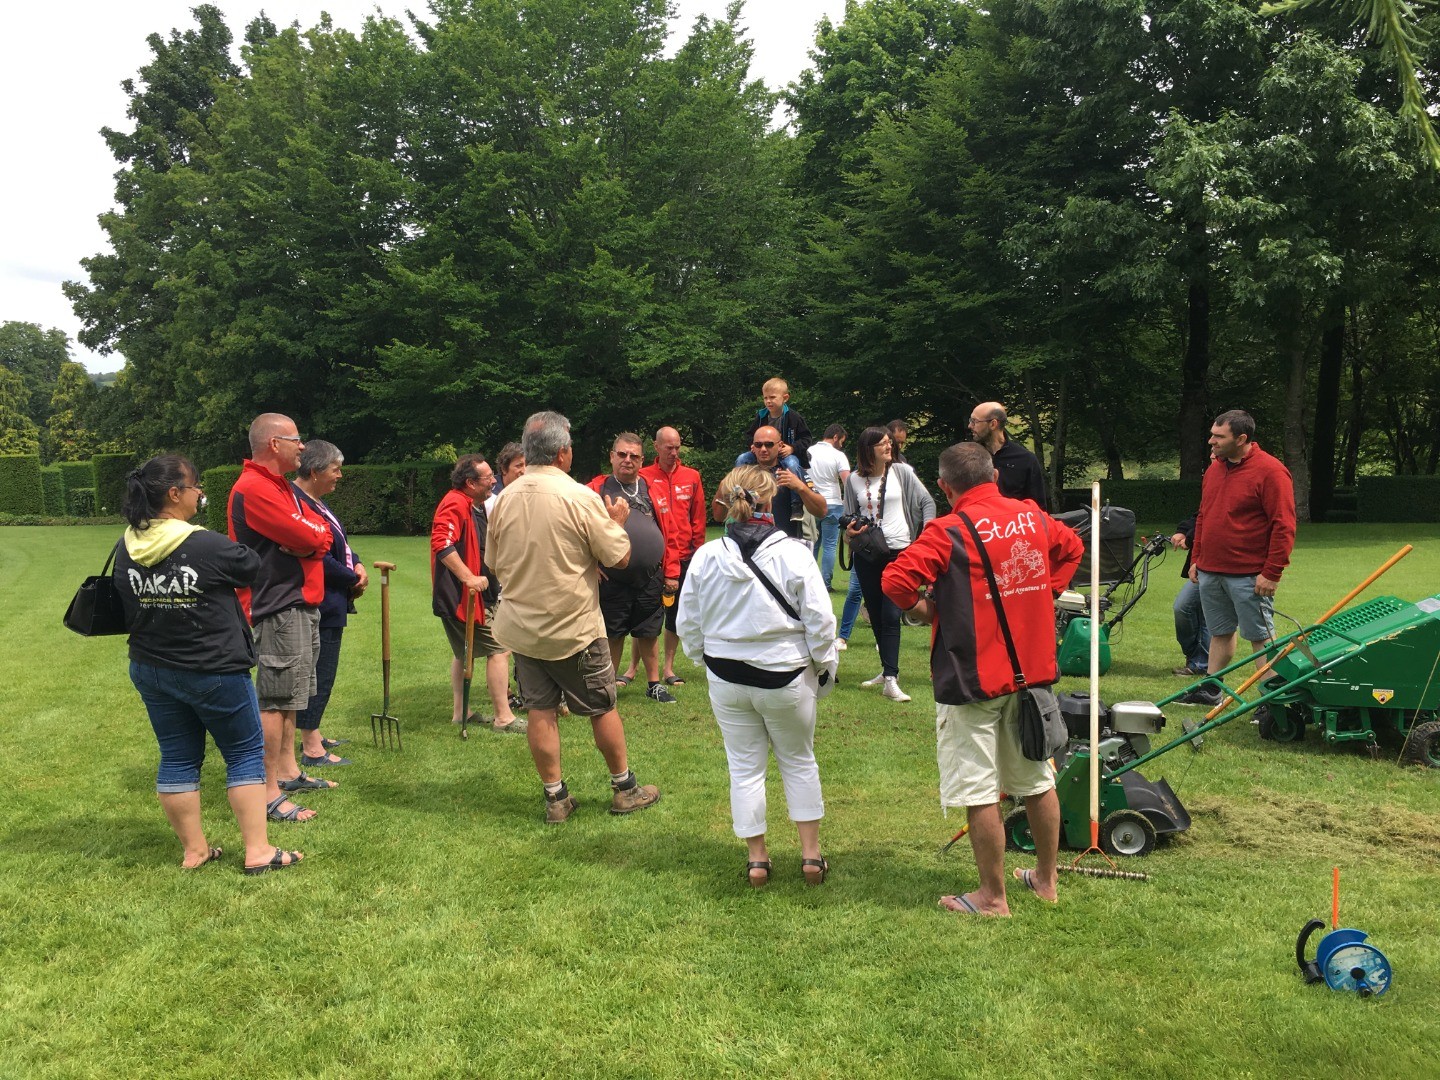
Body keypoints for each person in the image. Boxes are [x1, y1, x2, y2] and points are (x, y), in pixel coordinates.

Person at [882, 442, 1083, 915]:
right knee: (1036, 780)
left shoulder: (946, 530)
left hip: (972, 677)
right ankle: (1046, 881)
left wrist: (927, 610)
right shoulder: (1031, 516)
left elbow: (895, 581)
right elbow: (1072, 547)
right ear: (994, 475)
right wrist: (1045, 592)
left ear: (945, 487)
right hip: (1031, 674)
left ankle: (993, 897)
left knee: (977, 789)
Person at [116, 454, 302, 874]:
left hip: (151, 667)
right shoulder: (203, 543)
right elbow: (249, 566)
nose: (201, 494)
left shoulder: (126, 544)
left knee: (178, 757)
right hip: (212, 668)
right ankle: (258, 851)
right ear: (174, 493)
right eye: (196, 486)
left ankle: (195, 851)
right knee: (244, 754)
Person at [487, 411, 662, 822]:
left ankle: (556, 799)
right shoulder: (579, 496)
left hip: (524, 630)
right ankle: (625, 788)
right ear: (563, 452)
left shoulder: (504, 498)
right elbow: (618, 556)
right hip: (573, 629)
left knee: (540, 711)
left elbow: (493, 563)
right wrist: (616, 523)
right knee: (601, 707)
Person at [678, 466, 838, 887]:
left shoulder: (707, 556)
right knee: (799, 761)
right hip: (784, 675)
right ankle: (810, 857)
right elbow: (821, 622)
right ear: (770, 503)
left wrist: (704, 660)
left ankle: (757, 860)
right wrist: (824, 667)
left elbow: (688, 622)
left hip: (726, 675)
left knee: (744, 767)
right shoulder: (794, 553)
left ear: (727, 503)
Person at [228, 413, 334, 824]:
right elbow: (309, 536)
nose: (303, 447)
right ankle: (268, 791)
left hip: (298, 602)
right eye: (296, 439)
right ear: (275, 444)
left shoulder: (279, 486)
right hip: (276, 605)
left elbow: (318, 531)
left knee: (292, 696)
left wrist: (311, 540)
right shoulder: (255, 487)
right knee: (275, 700)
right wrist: (310, 540)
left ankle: (287, 772)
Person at [1179, 410, 1296, 708]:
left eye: (1219, 437)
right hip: (1211, 570)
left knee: (1260, 638)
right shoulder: (1215, 469)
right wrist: (1197, 557)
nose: (1211, 442)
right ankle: (1211, 688)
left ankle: (1273, 701)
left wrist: (1272, 572)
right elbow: (1205, 515)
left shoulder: (1271, 471)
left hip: (1249, 574)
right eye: (1212, 434)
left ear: (1241, 438)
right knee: (1219, 633)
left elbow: (1284, 524)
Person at [841, 426, 936, 702]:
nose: (888, 447)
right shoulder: (854, 480)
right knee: (877, 613)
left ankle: (891, 679)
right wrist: (850, 528)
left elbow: (927, 502)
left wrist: (927, 534)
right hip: (868, 553)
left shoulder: (902, 472)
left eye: (889, 443)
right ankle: (886, 671)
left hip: (900, 552)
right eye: (882, 444)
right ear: (867, 449)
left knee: (892, 614)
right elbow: (848, 514)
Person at [431, 454, 523, 733]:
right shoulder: (454, 503)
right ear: (470, 483)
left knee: (464, 653)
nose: (494, 482)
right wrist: (469, 578)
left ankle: (461, 713)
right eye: (488, 479)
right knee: (499, 649)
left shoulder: (474, 504)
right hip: (462, 597)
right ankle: (503, 717)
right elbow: (442, 543)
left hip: (472, 595)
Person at [292, 440, 368, 766]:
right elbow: (317, 557)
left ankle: (314, 731)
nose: (339, 475)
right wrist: (352, 578)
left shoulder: (315, 502)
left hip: (331, 601)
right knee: (319, 673)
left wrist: (358, 563)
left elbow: (339, 543)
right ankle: (312, 748)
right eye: (335, 469)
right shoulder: (299, 505)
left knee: (321, 670)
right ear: (314, 470)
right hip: (320, 602)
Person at [587, 432, 675, 704]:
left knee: (649, 631)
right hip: (611, 577)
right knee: (613, 633)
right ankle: (608, 686)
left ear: (642, 460)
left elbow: (669, 533)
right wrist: (590, 565)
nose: (628, 460)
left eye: (634, 456)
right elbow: (579, 532)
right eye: (622, 454)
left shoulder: (653, 489)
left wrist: (671, 571)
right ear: (612, 456)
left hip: (650, 576)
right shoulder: (595, 490)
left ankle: (654, 684)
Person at [635, 425, 707, 686]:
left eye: (677, 447)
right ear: (656, 447)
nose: (674, 452)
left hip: (684, 556)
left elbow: (698, 518)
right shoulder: (643, 476)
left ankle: (668, 668)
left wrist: (697, 551)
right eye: (669, 448)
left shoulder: (692, 476)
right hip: (653, 557)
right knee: (645, 613)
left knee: (675, 614)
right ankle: (632, 668)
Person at [715, 425, 827, 539]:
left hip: (784, 546)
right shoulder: (743, 473)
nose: (763, 449)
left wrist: (800, 487)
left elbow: (821, 511)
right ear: (753, 446)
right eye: (758, 445)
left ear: (780, 445)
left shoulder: (791, 472)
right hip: (745, 546)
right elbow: (718, 516)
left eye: (769, 444)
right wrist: (723, 485)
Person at [969, 401, 1047, 509]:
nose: (970, 426)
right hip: (975, 523)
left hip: (1013, 523)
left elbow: (1038, 508)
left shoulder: (1025, 459)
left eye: (974, 421)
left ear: (993, 424)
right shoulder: (968, 456)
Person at [807, 424, 850, 590]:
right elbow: (847, 481)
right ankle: (825, 584)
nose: (842, 445)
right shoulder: (838, 455)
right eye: (842, 441)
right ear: (835, 437)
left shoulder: (808, 451)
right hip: (832, 503)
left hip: (811, 502)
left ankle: (809, 581)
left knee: (812, 544)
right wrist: (847, 503)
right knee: (830, 545)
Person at [1170, 511, 1209, 678]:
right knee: (1192, 610)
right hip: (1202, 563)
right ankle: (1197, 660)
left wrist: (1190, 539)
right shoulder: (1214, 487)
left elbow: (1212, 522)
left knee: (1187, 608)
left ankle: (1200, 662)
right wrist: (1183, 531)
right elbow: (1200, 516)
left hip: (1215, 562)